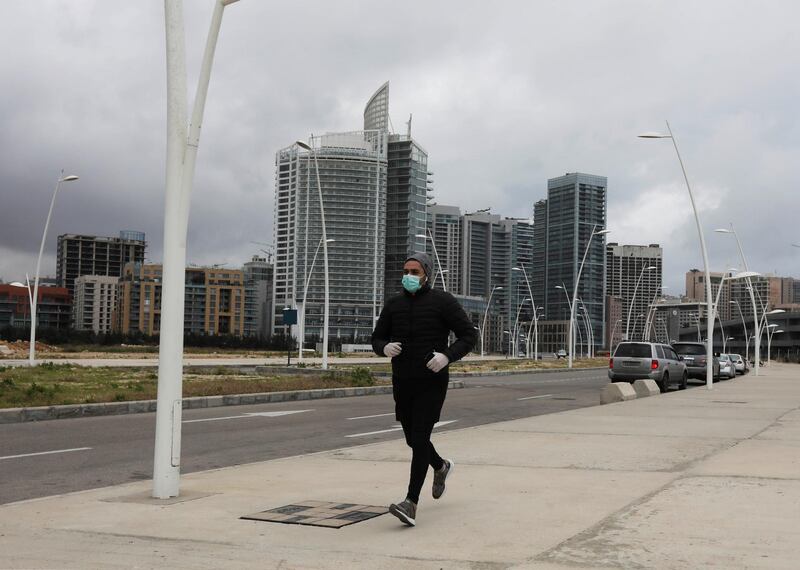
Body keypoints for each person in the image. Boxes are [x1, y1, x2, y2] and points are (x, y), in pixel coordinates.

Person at [371, 252, 477, 526]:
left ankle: (411, 503)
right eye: (406, 271)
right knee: (412, 439)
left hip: (431, 381)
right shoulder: (394, 304)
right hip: (402, 381)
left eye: (414, 271)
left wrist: (447, 356)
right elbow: (377, 337)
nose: (408, 276)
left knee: (419, 438)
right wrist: (383, 347)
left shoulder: (443, 302)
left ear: (426, 274)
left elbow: (469, 336)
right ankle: (441, 467)